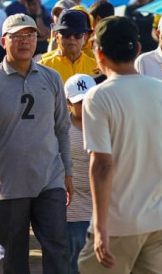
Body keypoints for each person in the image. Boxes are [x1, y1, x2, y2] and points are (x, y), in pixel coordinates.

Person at [78, 16, 162, 274]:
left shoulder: (98, 96)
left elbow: (102, 165)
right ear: (138, 49)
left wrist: (100, 226)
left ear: (98, 53)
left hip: (119, 223)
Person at [0, 14, 72, 274]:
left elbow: (62, 127)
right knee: (14, 256)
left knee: (58, 248)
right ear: (3, 41)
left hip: (50, 178)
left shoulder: (51, 78)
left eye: (29, 35)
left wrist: (68, 171)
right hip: (7, 184)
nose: (25, 41)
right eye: (17, 36)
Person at [63, 74, 96, 274]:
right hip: (72, 212)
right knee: (74, 265)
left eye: (89, 99)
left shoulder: (108, 123)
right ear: (68, 102)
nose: (84, 105)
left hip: (104, 210)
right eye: (79, 102)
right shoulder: (60, 128)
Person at [39, 10, 98, 83]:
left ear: (85, 38)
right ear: (56, 37)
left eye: (77, 34)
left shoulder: (96, 67)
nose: (72, 38)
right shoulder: (42, 68)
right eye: (66, 33)